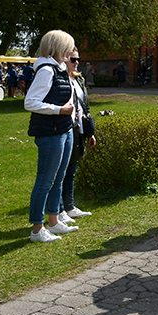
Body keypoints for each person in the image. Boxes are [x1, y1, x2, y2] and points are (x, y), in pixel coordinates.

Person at [24, 30, 79, 242]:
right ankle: (38, 229)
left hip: (63, 130)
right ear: (59, 48)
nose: (70, 52)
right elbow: (30, 102)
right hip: (51, 132)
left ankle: (54, 221)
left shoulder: (58, 68)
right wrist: (59, 110)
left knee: (58, 178)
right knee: (45, 180)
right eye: (68, 47)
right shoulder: (47, 70)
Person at [58, 49, 95, 224]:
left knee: (71, 170)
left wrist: (90, 132)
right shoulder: (59, 78)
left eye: (78, 58)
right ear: (63, 59)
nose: (77, 62)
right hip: (66, 127)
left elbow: (85, 106)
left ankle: (69, 207)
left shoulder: (78, 78)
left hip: (78, 128)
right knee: (60, 171)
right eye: (73, 59)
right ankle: (58, 210)